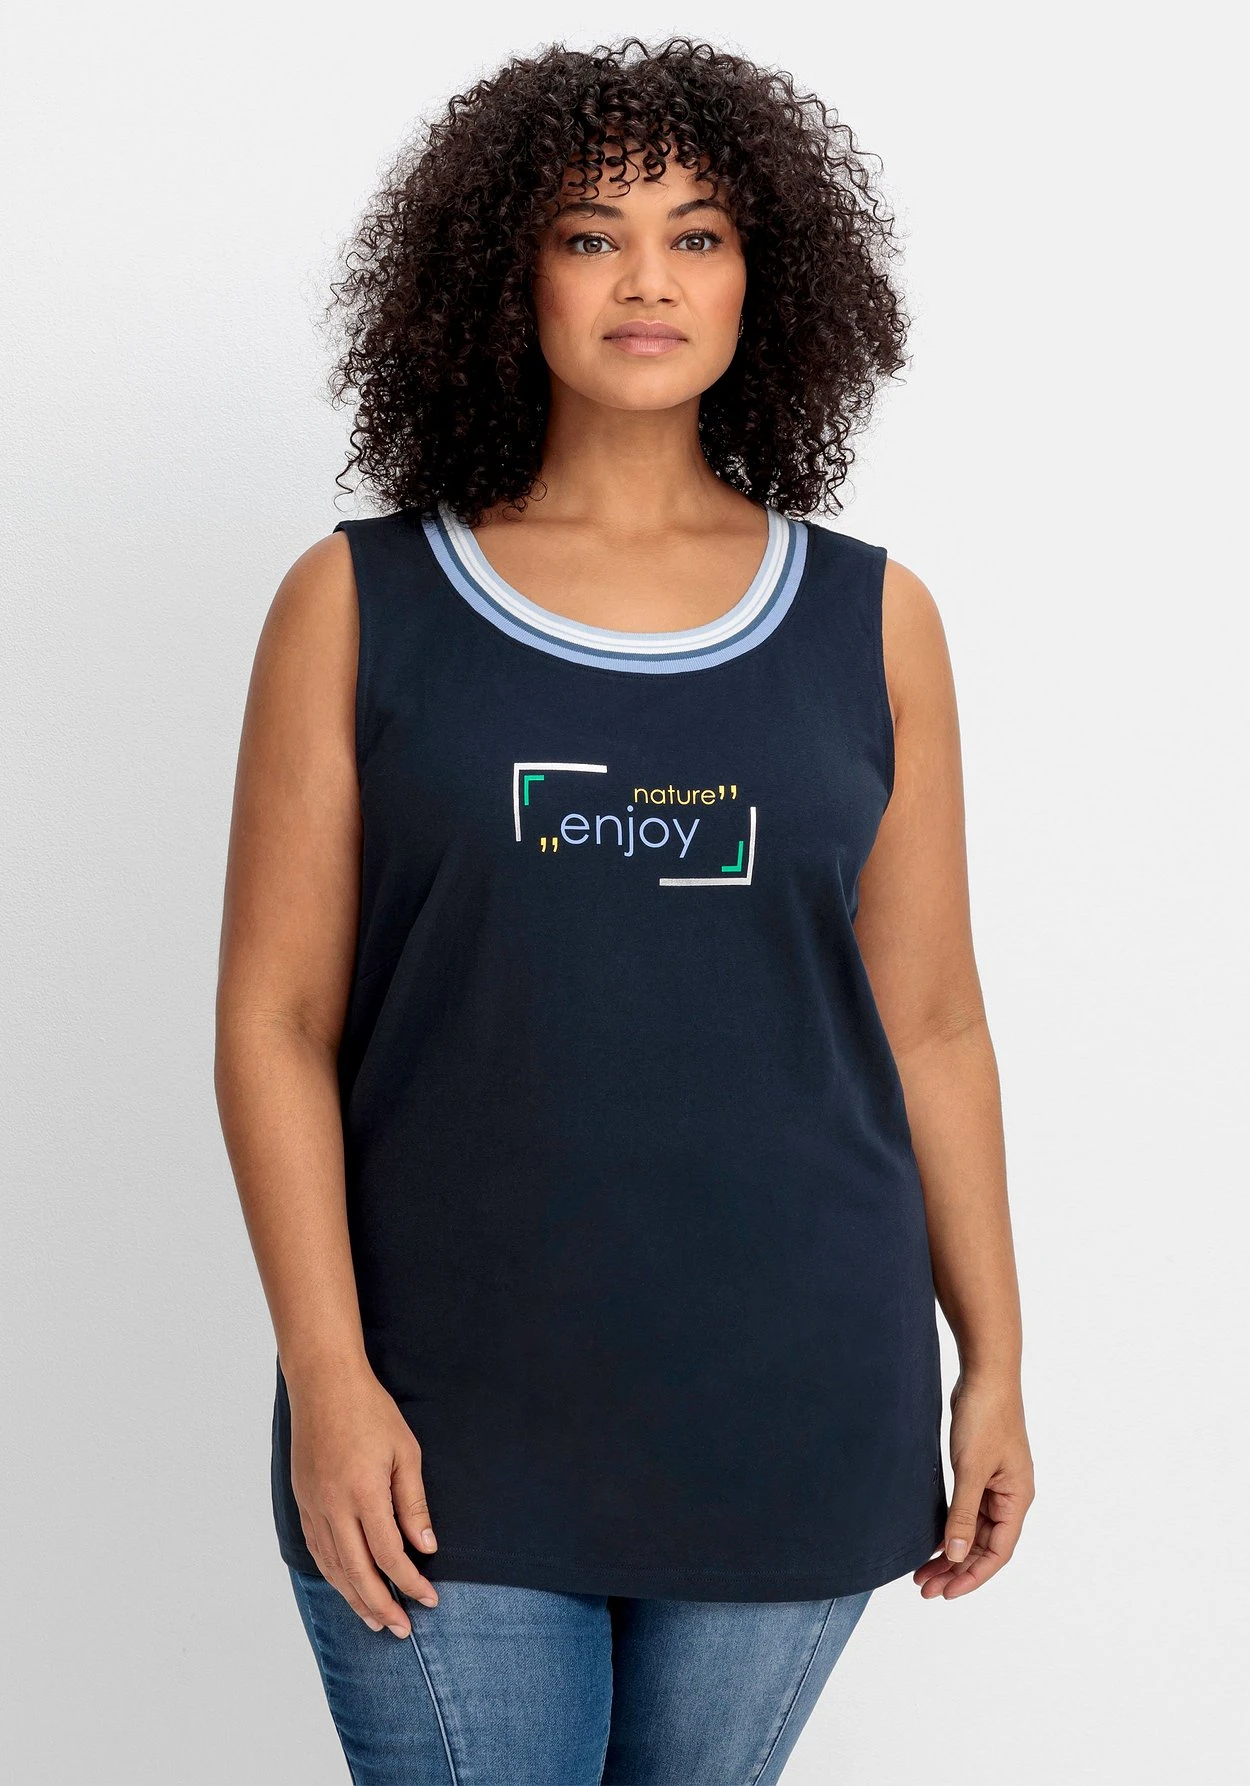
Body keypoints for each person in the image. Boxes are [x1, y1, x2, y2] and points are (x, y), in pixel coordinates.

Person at [215, 35, 1035, 1786]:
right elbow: (274, 1021)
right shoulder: (359, 603)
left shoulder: (872, 620)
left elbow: (931, 1024)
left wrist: (995, 1360)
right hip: (441, 1405)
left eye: (697, 234)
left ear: (764, 279)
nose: (647, 279)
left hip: (795, 1390)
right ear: (502, 276)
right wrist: (327, 1374)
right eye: (590, 235)